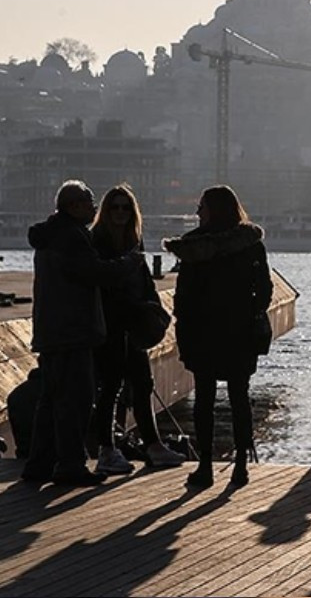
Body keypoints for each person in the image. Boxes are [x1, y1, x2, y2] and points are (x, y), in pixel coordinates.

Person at [22, 180, 141, 487]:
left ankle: (39, 464)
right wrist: (128, 262)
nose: (93, 207)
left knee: (49, 400)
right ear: (74, 206)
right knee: (75, 400)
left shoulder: (50, 234)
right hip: (73, 331)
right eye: (89, 202)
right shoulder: (72, 237)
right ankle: (71, 465)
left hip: (50, 329)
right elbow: (95, 273)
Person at [164, 185, 273, 489]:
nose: (198, 212)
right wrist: (251, 312)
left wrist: (184, 329)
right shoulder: (250, 243)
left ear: (213, 210)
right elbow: (264, 288)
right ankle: (240, 465)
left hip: (203, 331)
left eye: (201, 206)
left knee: (204, 400)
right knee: (240, 397)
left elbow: (183, 297)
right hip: (239, 332)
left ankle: (205, 465)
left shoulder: (193, 246)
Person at [88, 184, 186, 475]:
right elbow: (104, 283)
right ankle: (107, 449)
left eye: (125, 207)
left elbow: (143, 281)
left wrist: (153, 306)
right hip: (110, 325)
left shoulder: (133, 241)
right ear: (106, 212)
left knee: (143, 384)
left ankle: (153, 446)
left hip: (132, 323)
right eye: (115, 207)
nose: (120, 212)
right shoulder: (99, 242)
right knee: (111, 387)